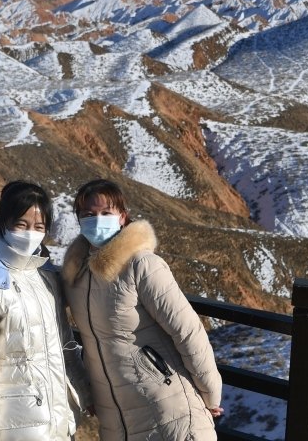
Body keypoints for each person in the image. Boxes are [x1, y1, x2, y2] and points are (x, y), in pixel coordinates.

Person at [62, 178, 223, 441]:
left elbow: (188, 331)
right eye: (88, 214)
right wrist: (89, 392)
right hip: (116, 418)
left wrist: (210, 393)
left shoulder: (142, 265)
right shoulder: (76, 276)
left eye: (106, 213)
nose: (97, 220)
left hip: (169, 407)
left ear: (122, 217)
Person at [0, 181, 91, 441]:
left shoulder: (44, 276)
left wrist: (85, 393)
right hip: (16, 428)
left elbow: (64, 345)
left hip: (57, 422)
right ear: (3, 222)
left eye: (39, 227)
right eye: (21, 224)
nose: (30, 233)